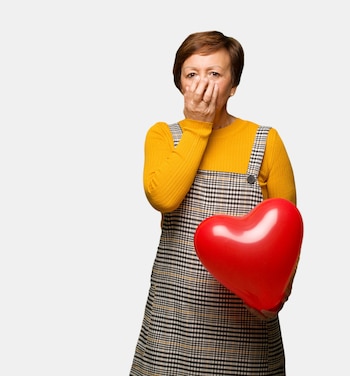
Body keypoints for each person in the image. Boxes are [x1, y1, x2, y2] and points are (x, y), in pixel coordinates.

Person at [129, 31, 298, 375]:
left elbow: (288, 231)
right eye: (192, 74)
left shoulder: (265, 140)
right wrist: (198, 127)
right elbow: (164, 197)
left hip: (246, 320)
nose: (202, 83)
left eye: (215, 74)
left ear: (233, 86)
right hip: (174, 318)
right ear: (179, 83)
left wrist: (277, 296)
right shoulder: (163, 136)